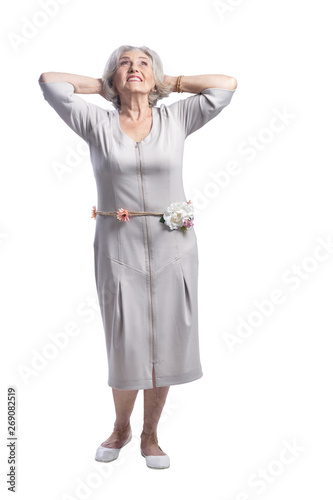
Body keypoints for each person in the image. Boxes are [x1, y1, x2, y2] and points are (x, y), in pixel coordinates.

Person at [38, 44, 237, 469]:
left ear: (157, 75)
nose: (135, 68)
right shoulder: (96, 122)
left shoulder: (176, 117)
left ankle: (150, 434)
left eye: (144, 63)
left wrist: (170, 84)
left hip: (174, 246)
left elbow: (225, 87)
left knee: (166, 340)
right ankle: (120, 427)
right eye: (125, 63)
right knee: (126, 340)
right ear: (113, 75)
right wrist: (108, 87)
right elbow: (50, 83)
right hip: (118, 246)